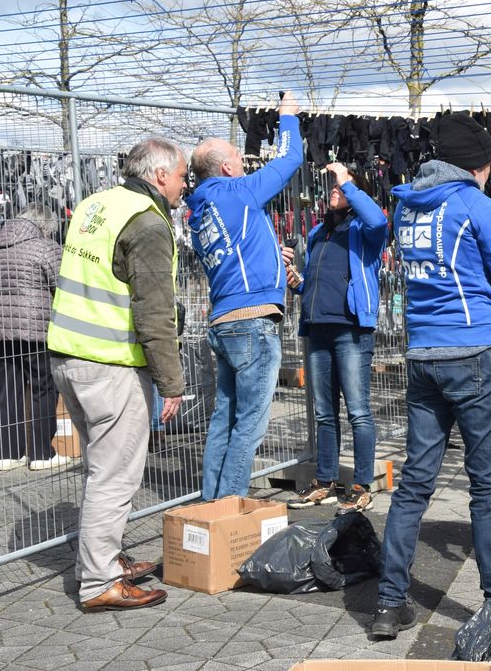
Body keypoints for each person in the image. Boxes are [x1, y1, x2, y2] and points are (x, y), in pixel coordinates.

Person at [373, 112, 491, 639]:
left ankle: (389, 603)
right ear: (477, 166)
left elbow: (437, 269)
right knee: (487, 486)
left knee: (415, 482)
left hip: (423, 355)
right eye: (488, 166)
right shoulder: (474, 203)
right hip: (472, 352)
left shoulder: (407, 204)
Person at [46, 137, 186, 611]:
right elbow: (154, 312)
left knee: (99, 470)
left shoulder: (94, 205)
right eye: (183, 176)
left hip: (69, 358)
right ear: (161, 175)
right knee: (115, 477)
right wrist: (171, 384)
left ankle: (105, 559)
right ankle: (99, 581)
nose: (184, 186)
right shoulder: (147, 223)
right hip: (111, 365)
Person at [187, 91, 303, 501]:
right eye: (239, 158)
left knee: (225, 418)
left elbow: (234, 252)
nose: (245, 163)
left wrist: (272, 251)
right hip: (252, 321)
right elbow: (289, 161)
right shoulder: (235, 191)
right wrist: (288, 117)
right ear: (226, 167)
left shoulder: (202, 208)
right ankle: (230, 506)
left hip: (225, 320)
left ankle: (210, 505)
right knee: (251, 423)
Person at [285, 162, 389, 514]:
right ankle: (325, 482)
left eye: (341, 188)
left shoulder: (365, 231)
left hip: (351, 330)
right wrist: (300, 284)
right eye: (333, 187)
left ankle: (361, 485)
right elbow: (319, 284)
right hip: (318, 328)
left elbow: (378, 220)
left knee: (358, 411)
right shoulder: (318, 233)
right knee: (324, 413)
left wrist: (347, 180)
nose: (334, 190)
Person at [0, 203, 66, 471]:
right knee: (43, 387)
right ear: (44, 227)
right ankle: (42, 454)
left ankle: (9, 454)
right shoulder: (45, 249)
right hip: (34, 329)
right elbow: (61, 286)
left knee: (9, 390)